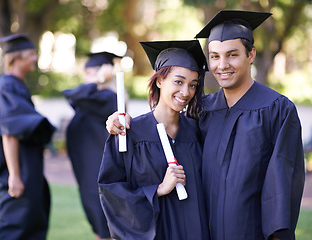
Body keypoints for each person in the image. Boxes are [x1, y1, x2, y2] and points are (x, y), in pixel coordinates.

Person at [106, 10, 305, 240]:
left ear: (251, 54)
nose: (222, 65)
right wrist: (116, 123)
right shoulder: (203, 110)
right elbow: (167, 133)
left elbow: (283, 182)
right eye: (214, 56)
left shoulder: (277, 109)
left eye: (232, 55)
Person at [98, 40, 209, 240]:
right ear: (159, 81)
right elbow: (110, 190)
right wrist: (158, 190)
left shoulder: (198, 131)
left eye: (193, 85)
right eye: (178, 81)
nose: (186, 92)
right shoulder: (129, 134)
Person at [0, 34, 55, 240]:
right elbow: (9, 132)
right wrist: (15, 175)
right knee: (13, 228)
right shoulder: (8, 87)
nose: (35, 58)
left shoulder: (15, 85)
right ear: (15, 58)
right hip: (14, 173)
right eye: (30, 54)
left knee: (27, 226)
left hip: (25, 170)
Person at [61, 52, 121, 240]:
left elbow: (74, 93)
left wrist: (100, 79)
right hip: (86, 172)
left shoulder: (108, 98)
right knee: (97, 221)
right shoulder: (89, 100)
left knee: (105, 224)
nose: (86, 78)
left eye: (91, 72)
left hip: (99, 173)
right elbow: (71, 96)